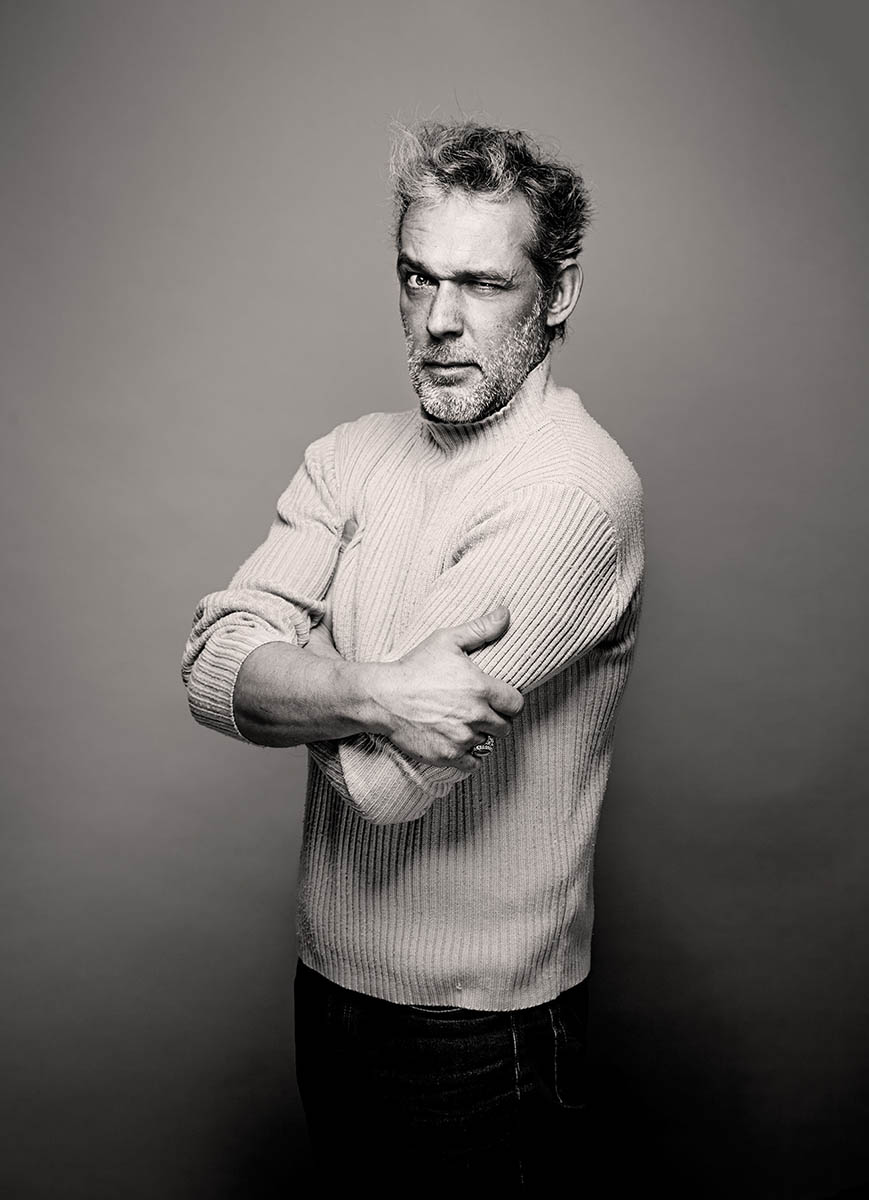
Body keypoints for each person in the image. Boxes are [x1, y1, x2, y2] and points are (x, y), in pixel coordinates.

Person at [181, 119, 645, 1188]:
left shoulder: (574, 491)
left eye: (481, 283)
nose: (438, 319)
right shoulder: (349, 455)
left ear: (557, 293)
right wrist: (381, 687)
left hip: (481, 1033)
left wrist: (296, 657)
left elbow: (386, 787)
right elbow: (209, 669)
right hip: (329, 988)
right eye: (417, 276)